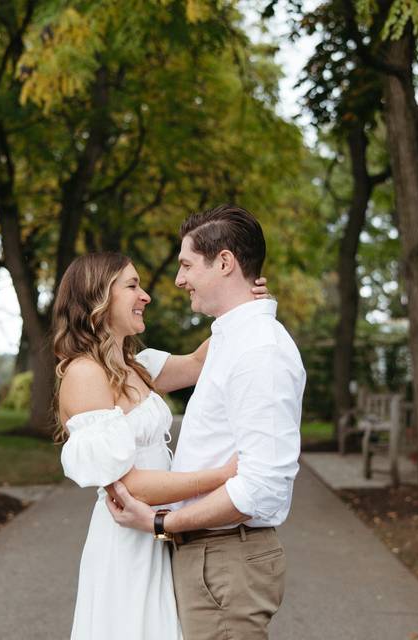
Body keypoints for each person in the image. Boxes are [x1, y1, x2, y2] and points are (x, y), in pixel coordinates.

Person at [106, 204, 307, 640]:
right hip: (207, 557)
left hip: (224, 556)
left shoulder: (258, 351)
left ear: (224, 262)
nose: (178, 280)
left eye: (186, 264)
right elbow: (195, 359)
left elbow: (261, 486)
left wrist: (161, 524)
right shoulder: (231, 338)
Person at [53, 251, 269, 640]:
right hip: (128, 543)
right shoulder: (85, 374)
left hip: (161, 532)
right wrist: (220, 477)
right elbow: (128, 485)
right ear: (98, 298)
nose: (146, 296)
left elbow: (203, 360)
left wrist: (242, 305)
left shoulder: (138, 366)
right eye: (133, 286)